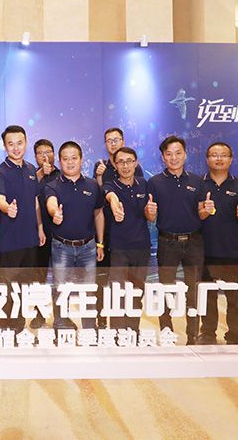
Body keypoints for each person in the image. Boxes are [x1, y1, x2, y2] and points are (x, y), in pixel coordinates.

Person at [146, 135, 205, 345]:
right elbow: (150, 217)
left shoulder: (197, 181)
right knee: (165, 290)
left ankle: (192, 336)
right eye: (169, 154)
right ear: (163, 157)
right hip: (167, 242)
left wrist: (207, 210)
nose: (174, 158)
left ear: (185, 154)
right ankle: (167, 333)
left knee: (194, 290)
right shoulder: (154, 182)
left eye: (178, 153)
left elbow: (202, 213)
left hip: (194, 242)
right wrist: (149, 212)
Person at [45, 141, 105, 330]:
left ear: (81, 160)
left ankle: (89, 329)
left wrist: (100, 243)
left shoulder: (93, 185)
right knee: (60, 289)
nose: (70, 162)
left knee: (89, 290)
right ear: (59, 161)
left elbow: (98, 213)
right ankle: (61, 326)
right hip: (61, 247)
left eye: (74, 158)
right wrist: (55, 213)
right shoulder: (52, 186)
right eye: (65, 159)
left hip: (88, 247)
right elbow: (51, 203)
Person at [0, 125, 46, 333]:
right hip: (10, 240)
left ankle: (19, 326)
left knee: (24, 286)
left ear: (26, 143)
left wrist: (40, 227)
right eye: (11, 144)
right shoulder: (0, 172)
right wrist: (7, 208)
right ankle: (5, 327)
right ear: (5, 146)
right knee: (8, 287)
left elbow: (35, 201)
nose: (16, 148)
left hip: (30, 239)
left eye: (19, 143)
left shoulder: (31, 169)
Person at [196, 142, 238, 345]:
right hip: (204, 250)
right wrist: (203, 211)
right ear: (207, 159)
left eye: (223, 155)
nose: (219, 159)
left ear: (231, 159)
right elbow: (195, 215)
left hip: (232, 251)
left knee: (235, 297)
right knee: (207, 296)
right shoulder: (198, 184)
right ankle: (208, 333)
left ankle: (235, 334)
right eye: (214, 155)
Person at [93, 128, 144, 327]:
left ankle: (131, 327)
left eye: (117, 139)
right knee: (106, 281)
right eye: (109, 140)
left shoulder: (135, 170)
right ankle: (102, 319)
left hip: (131, 235)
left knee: (132, 286)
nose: (113, 143)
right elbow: (100, 196)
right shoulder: (101, 167)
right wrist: (99, 179)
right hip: (106, 231)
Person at [103, 147, 151, 330]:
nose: (125, 166)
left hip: (142, 247)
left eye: (129, 161)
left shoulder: (144, 184)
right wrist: (115, 205)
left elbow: (150, 213)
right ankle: (116, 332)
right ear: (115, 165)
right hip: (119, 249)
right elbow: (110, 196)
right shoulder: (110, 185)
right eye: (121, 162)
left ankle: (133, 331)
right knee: (118, 292)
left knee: (137, 292)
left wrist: (151, 212)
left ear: (136, 163)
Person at [32, 138, 59, 328]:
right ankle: (39, 314)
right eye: (40, 153)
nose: (45, 155)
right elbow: (27, 198)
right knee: (38, 277)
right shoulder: (31, 176)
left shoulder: (63, 174)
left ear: (54, 154)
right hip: (38, 234)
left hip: (60, 233)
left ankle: (61, 317)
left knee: (60, 278)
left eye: (48, 151)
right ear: (35, 157)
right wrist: (41, 174)